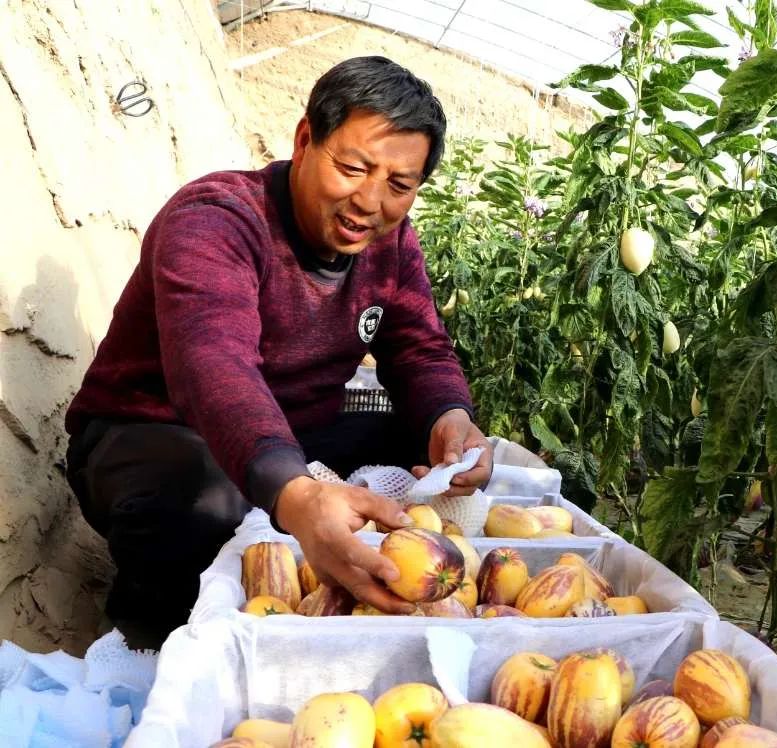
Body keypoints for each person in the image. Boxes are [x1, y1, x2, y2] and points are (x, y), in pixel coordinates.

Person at [63, 56, 493, 647]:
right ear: (304, 139)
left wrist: (451, 417)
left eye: (399, 186)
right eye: (352, 167)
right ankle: (151, 643)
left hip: (292, 427)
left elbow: (419, 347)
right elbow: (214, 366)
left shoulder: (390, 243)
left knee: (431, 441)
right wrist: (298, 494)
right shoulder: (217, 220)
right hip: (154, 430)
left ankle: (303, 519)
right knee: (206, 498)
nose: (371, 202)